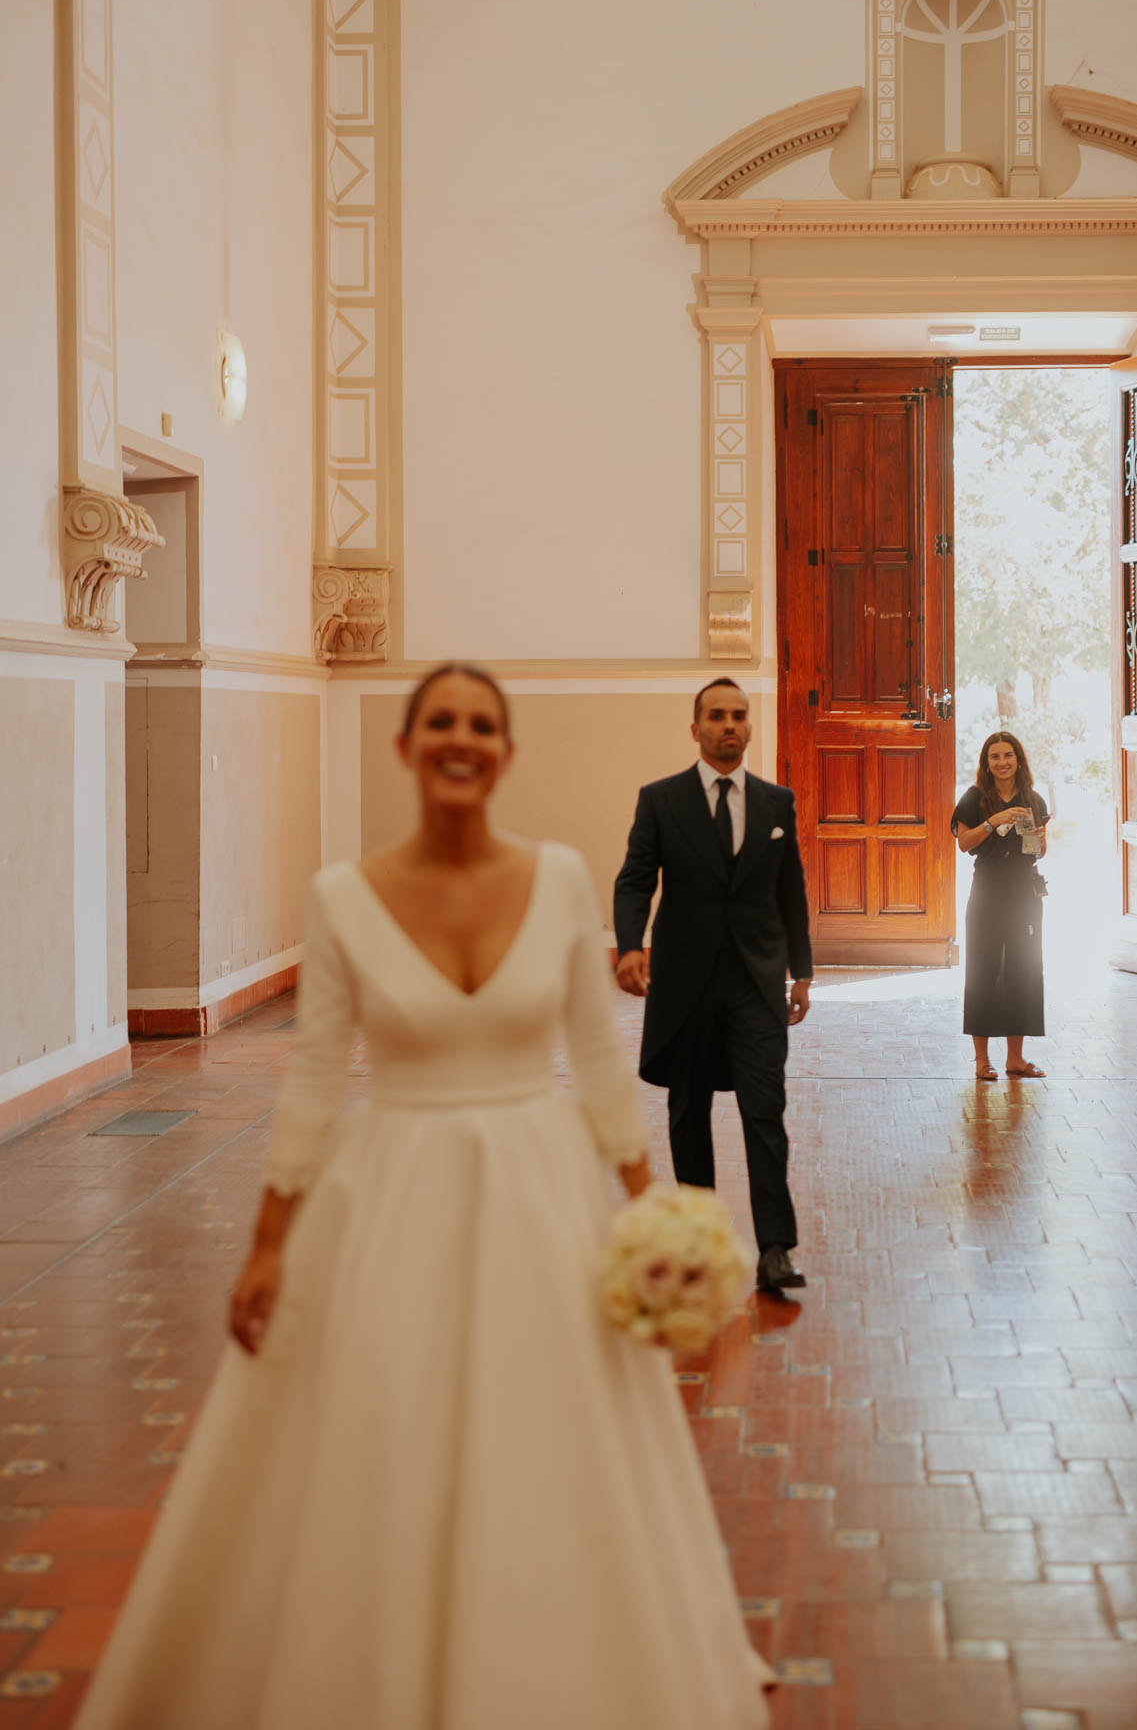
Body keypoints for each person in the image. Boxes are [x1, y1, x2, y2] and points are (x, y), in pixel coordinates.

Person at [75, 663, 771, 1730]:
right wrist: (267, 1243)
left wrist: (655, 1216)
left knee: (554, 1436)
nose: (461, 738)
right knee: (377, 1430)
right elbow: (311, 1082)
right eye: (439, 720)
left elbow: (594, 1065)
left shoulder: (560, 881)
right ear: (406, 748)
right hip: (387, 1194)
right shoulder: (345, 897)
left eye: (482, 724)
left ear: (504, 751)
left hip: (539, 1198)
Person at [613, 677, 813, 1295]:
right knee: (687, 1115)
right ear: (695, 727)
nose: (730, 725)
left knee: (765, 1113)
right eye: (717, 716)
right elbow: (635, 879)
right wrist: (628, 946)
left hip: (757, 983)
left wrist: (801, 970)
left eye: (739, 716)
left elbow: (790, 892)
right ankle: (699, 1244)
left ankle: (775, 1249)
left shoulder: (776, 803)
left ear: (749, 727)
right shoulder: (661, 800)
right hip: (686, 985)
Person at [951, 729, 1050, 1081]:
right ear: (987, 763)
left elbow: (1041, 850)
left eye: (1008, 755)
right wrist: (993, 822)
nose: (1002, 762)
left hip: (1024, 892)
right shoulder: (974, 798)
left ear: (1018, 760)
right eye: (995, 756)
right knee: (983, 970)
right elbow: (964, 842)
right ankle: (981, 1060)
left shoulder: (1033, 800)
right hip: (988, 891)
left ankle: (1016, 1059)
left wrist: (1038, 840)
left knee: (1023, 971)